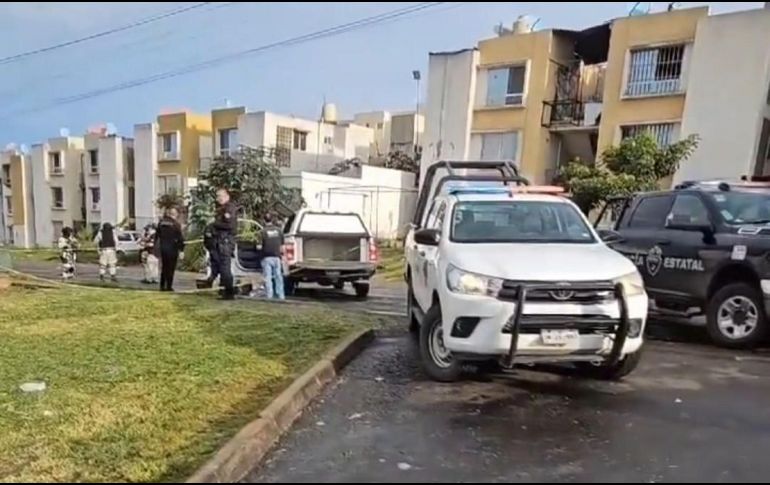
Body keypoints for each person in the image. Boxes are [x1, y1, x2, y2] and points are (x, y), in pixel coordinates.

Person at [211, 188, 238, 299]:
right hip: (220, 241)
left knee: (225, 268)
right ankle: (223, 291)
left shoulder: (229, 209)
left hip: (226, 241)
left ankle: (229, 292)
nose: (218, 198)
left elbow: (230, 226)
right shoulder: (221, 209)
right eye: (217, 196)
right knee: (221, 267)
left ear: (227, 196)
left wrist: (215, 224)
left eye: (221, 196)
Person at [155, 207, 185, 292]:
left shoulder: (161, 223)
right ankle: (169, 286)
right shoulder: (176, 224)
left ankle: (162, 286)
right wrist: (182, 250)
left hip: (163, 248)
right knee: (171, 268)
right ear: (175, 214)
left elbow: (157, 236)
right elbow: (180, 238)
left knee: (164, 267)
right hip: (172, 248)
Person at [260, 213, 285, 300]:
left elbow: (259, 246)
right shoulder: (279, 231)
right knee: (278, 276)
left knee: (268, 277)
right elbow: (282, 246)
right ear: (272, 220)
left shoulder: (263, 232)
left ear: (264, 221)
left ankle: (269, 296)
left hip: (266, 257)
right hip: (277, 257)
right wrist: (282, 257)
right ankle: (281, 295)